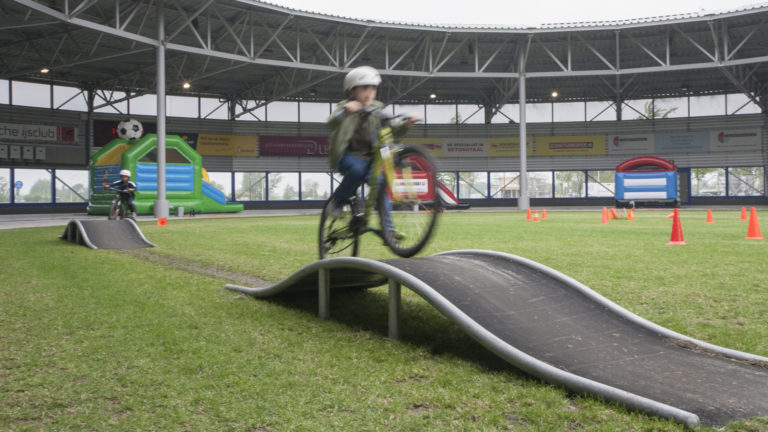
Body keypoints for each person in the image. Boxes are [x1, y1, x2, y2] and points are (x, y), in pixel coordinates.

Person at [326, 66, 419, 238]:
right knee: (357, 170)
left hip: (372, 158)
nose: (369, 93)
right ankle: (338, 201)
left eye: (373, 88)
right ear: (352, 91)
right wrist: (346, 112)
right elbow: (331, 124)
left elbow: (392, 130)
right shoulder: (344, 106)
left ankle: (388, 229)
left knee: (380, 184)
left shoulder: (378, 108)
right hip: (348, 156)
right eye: (364, 88)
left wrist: (406, 124)